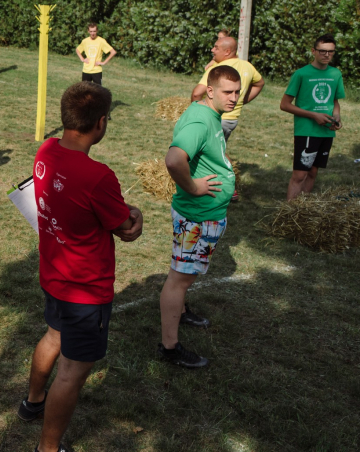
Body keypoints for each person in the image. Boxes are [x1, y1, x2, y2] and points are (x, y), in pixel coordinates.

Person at [19, 82, 143, 452]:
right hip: (86, 289)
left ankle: (33, 402)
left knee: (53, 336)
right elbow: (126, 229)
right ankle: (48, 448)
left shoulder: (46, 149)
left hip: (54, 276)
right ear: (100, 123)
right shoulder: (99, 176)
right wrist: (136, 213)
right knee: (72, 372)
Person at [159, 65, 240, 369]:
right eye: (227, 92)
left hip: (207, 215)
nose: (233, 98)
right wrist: (193, 187)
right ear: (210, 90)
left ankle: (180, 311)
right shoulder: (199, 118)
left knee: (187, 273)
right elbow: (174, 159)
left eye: (236, 92)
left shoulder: (210, 114)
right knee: (179, 278)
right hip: (197, 217)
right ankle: (169, 347)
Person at [191, 36, 264, 201]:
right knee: (215, 150)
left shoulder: (220, 69)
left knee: (214, 153)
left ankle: (229, 187)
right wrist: (241, 100)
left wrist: (194, 115)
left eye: (216, 47)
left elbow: (197, 92)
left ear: (227, 51)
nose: (212, 50)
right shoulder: (247, 66)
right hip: (232, 119)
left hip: (218, 118)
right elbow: (260, 83)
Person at [280, 35, 345, 201]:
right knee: (300, 174)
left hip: (325, 132)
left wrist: (336, 117)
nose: (326, 55)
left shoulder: (335, 74)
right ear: (313, 51)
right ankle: (290, 212)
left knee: (313, 172)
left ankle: (303, 210)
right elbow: (285, 104)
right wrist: (313, 115)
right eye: (322, 51)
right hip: (307, 130)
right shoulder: (301, 74)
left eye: (330, 51)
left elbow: (335, 101)